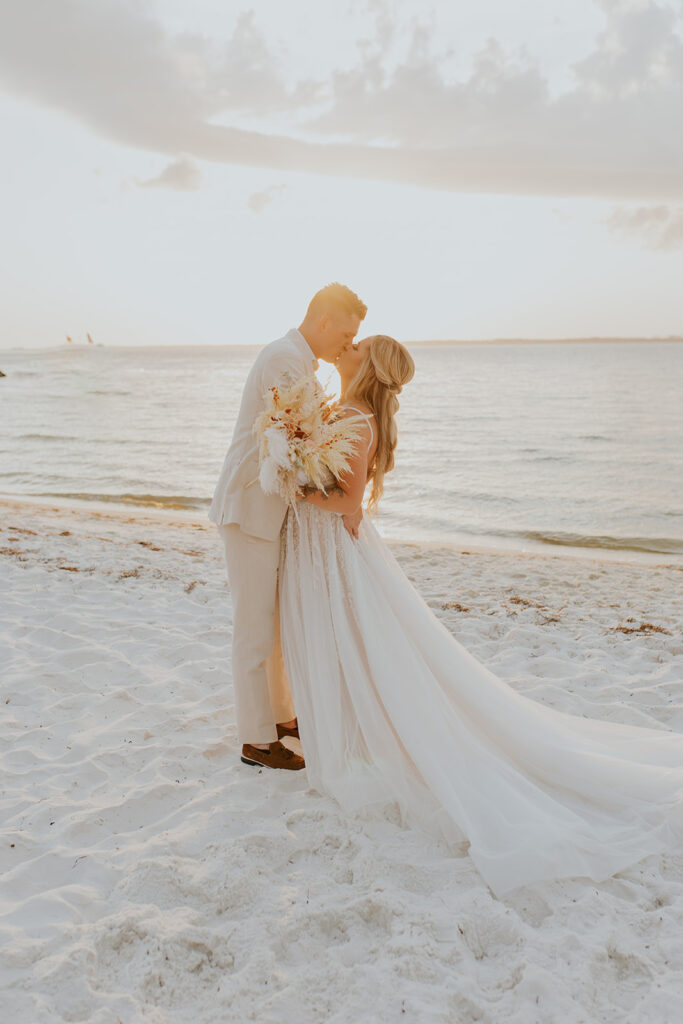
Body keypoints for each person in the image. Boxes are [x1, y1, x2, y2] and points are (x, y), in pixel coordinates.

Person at [278, 334, 683, 899]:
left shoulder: (355, 415)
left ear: (368, 364)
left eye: (358, 344)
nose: (348, 347)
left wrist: (296, 488)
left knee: (357, 643)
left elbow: (346, 501)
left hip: (335, 545)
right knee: (353, 642)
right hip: (336, 548)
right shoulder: (349, 411)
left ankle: (358, 741)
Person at [208, 283, 367, 771]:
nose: (346, 343)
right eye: (345, 333)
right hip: (251, 508)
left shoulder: (299, 363)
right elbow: (294, 443)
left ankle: (278, 716)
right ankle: (256, 740)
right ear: (323, 321)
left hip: (271, 511)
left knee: (273, 625)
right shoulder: (282, 359)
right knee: (253, 628)